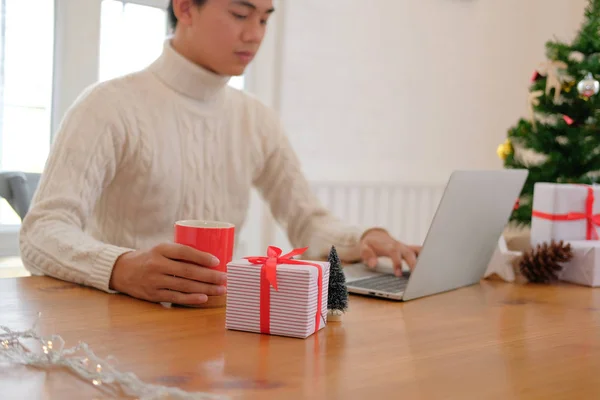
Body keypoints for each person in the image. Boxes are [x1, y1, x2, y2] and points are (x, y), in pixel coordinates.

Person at [19, 0, 421, 306]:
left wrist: (366, 238)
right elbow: (41, 232)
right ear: (185, 8)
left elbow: (307, 221)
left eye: (264, 19)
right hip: (121, 323)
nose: (255, 34)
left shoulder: (256, 118)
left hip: (223, 320)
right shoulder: (108, 106)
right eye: (240, 15)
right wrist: (121, 267)